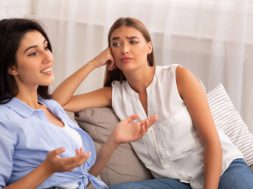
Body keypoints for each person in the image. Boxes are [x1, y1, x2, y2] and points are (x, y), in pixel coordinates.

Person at [53, 17, 253, 189]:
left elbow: (212, 141)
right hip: (175, 182)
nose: (124, 49)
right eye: (116, 44)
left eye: (133, 41)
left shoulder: (178, 76)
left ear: (148, 47)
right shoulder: (113, 94)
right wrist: (92, 64)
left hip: (222, 169)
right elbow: (57, 102)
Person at [0, 18, 158, 189]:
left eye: (46, 47)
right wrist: (46, 170)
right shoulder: (5, 119)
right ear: (12, 67)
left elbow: (85, 176)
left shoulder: (50, 107)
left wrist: (114, 140)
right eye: (33, 53)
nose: (48, 57)